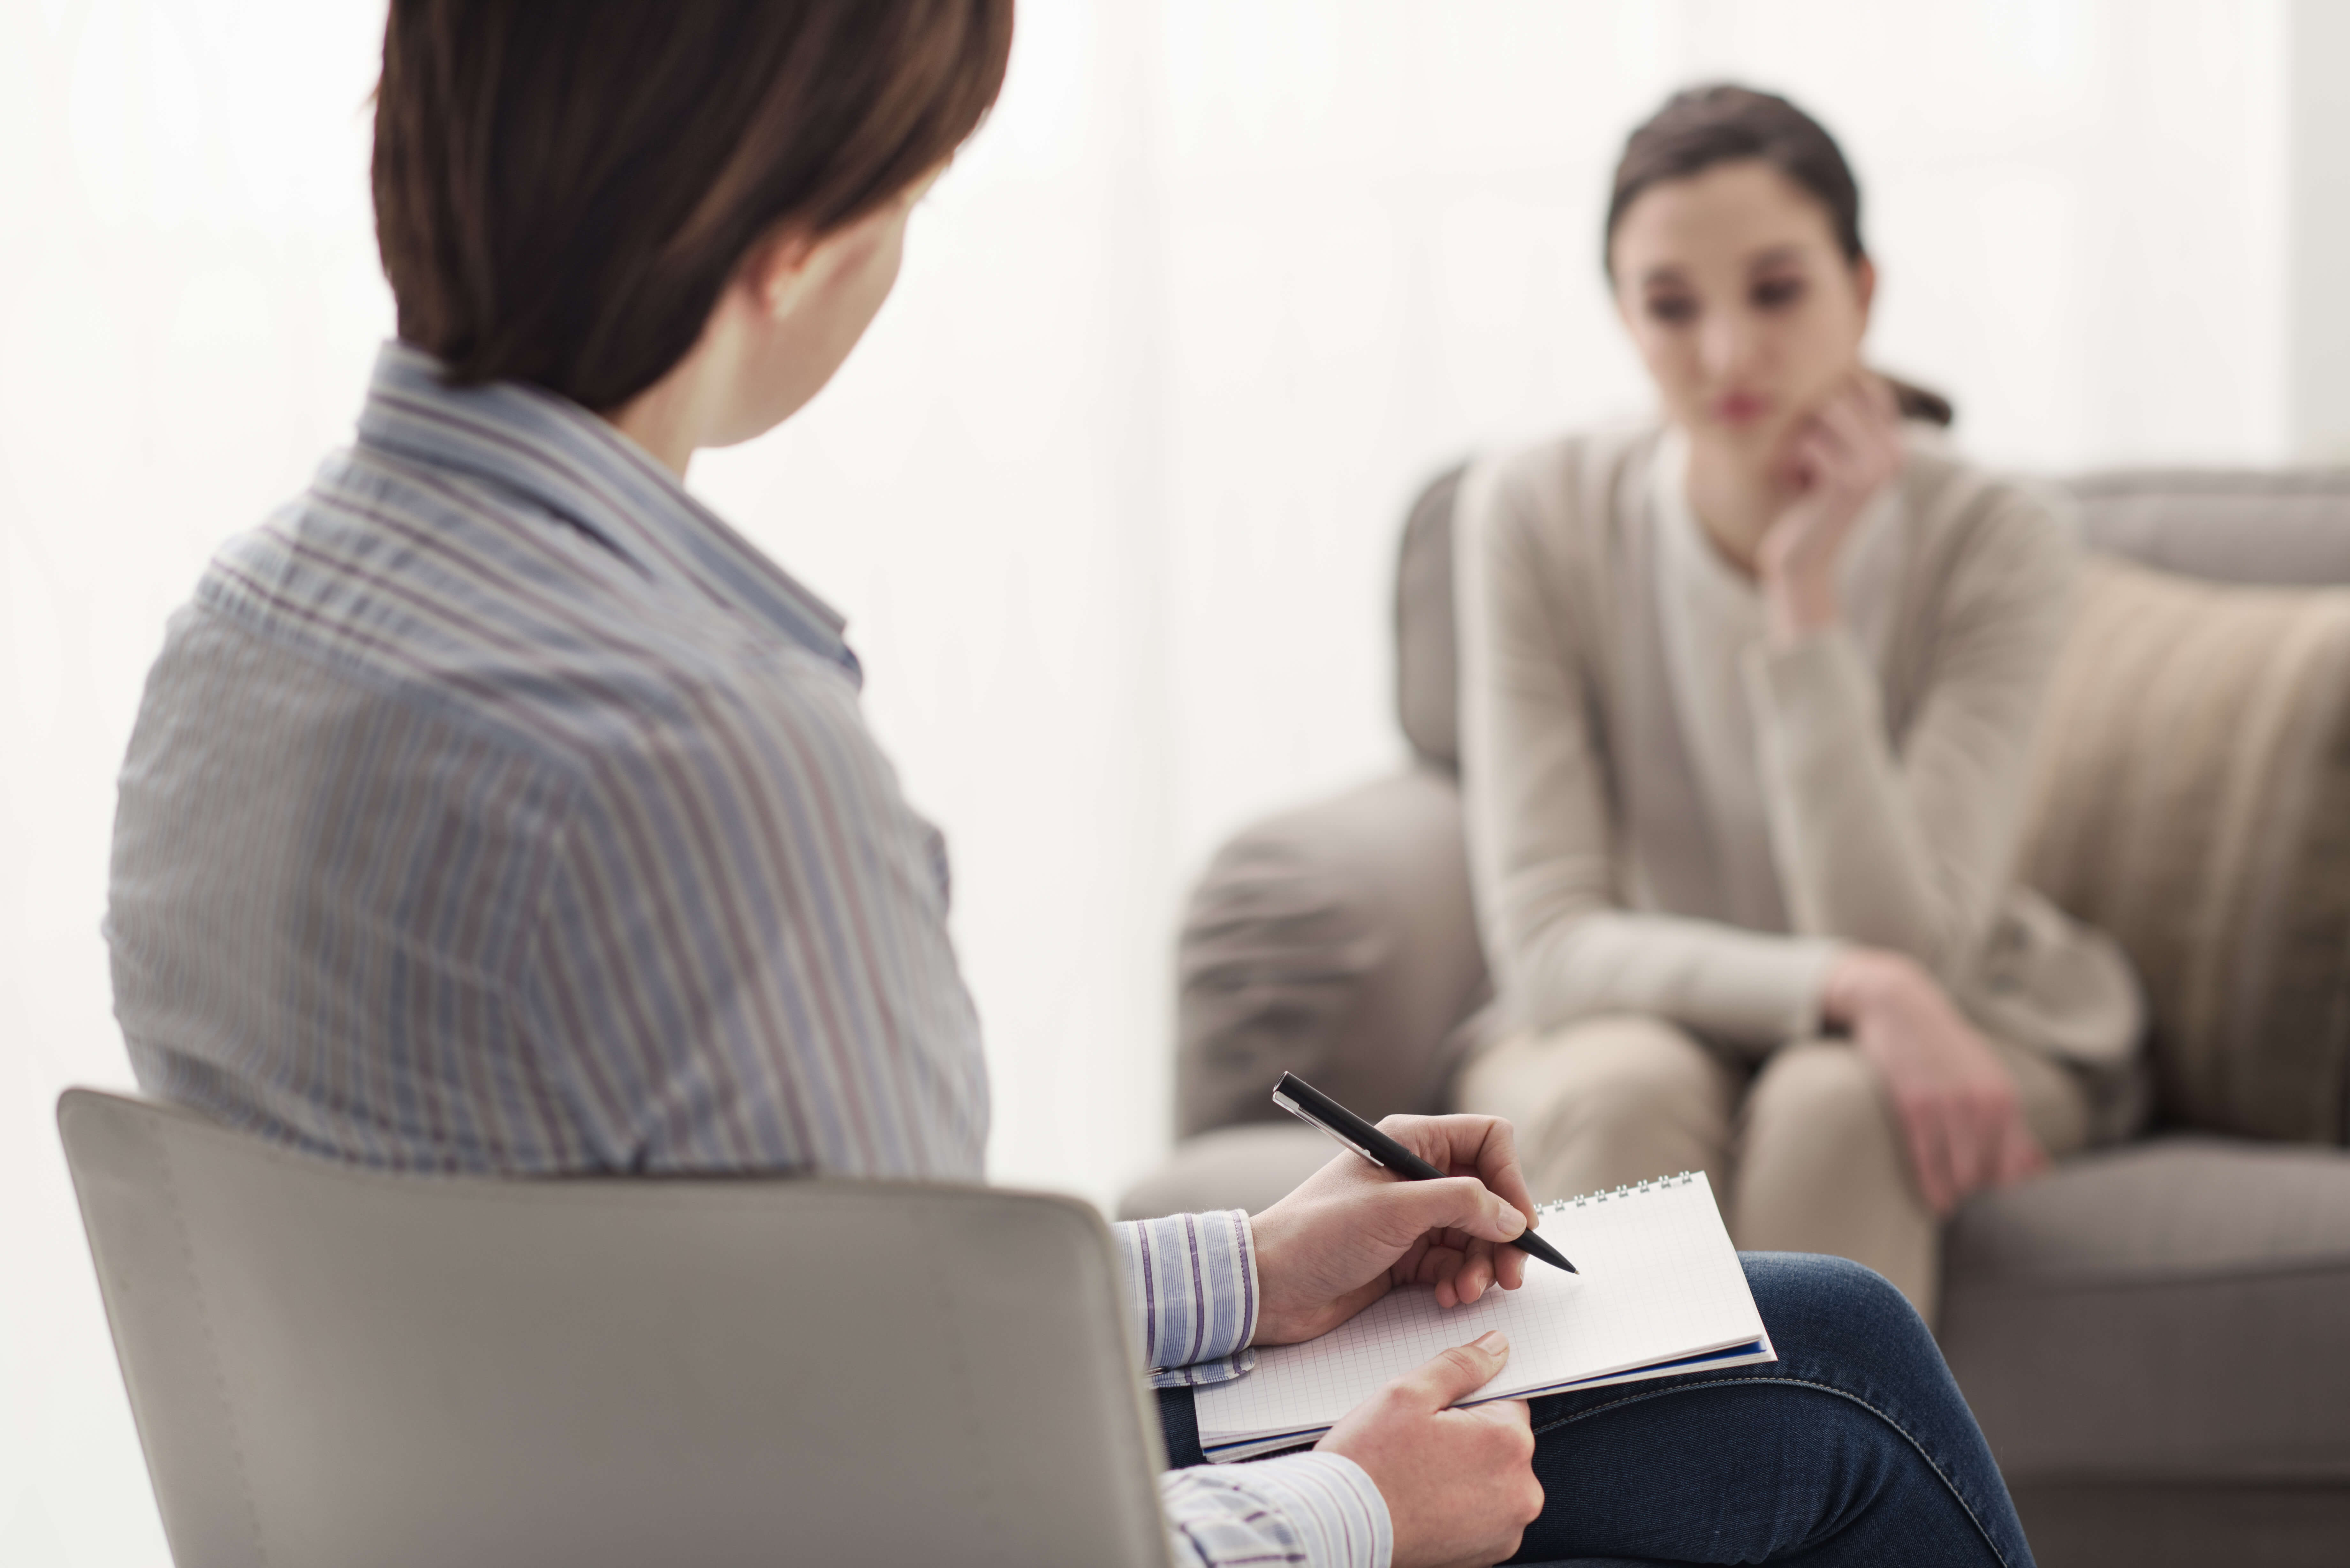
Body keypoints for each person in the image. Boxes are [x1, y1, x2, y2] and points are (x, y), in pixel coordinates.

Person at [105, 12, 2046, 1565]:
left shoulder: (236, 642)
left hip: (562, 1501)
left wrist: (1245, 1280)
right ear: (795, 245)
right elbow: (935, 1514)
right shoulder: (716, 758)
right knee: (1846, 1364)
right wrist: (1352, 1512)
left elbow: (739, 1339)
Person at [1452, 83, 2145, 1324]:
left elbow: (1908, 943)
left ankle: (1831, 1520)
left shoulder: (1998, 539)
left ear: (1861, 290)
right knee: (1618, 1086)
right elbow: (1551, 940)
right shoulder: (1532, 512)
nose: (1725, 353)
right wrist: (1851, 988)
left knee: (1839, 1100)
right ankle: (1615, 1522)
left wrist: (1802, 601)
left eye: (1775, 292)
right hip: (1641, 1012)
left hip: (1958, 1011)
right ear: (1622, 313)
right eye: (1670, 307)